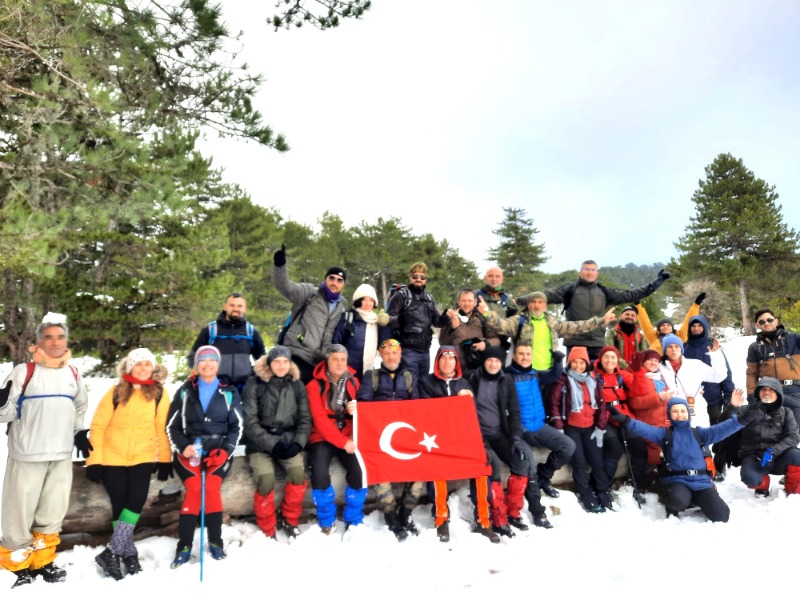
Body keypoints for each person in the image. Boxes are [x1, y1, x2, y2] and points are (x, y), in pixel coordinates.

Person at [0, 312, 89, 588]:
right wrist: (2, 403)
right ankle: (16, 566)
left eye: (60, 336)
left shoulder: (73, 373)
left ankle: (43, 561)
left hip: (60, 454)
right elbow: (5, 413)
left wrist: (78, 432)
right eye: (48, 336)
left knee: (52, 511)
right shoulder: (23, 372)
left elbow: (79, 406)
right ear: (38, 341)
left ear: (66, 341)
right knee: (19, 512)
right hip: (27, 453)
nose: (55, 342)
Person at [87, 348, 172, 580]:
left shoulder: (160, 394)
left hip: (142, 457)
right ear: (129, 367)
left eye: (147, 364)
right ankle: (128, 552)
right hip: (112, 457)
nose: (143, 368)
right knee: (120, 504)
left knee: (135, 501)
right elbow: (98, 427)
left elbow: (161, 428)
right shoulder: (115, 392)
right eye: (138, 364)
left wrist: (164, 458)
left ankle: (112, 551)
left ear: (153, 367)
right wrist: (94, 460)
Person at [610, 393, 752, 523]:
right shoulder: (664, 434)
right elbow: (643, 428)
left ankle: (699, 500)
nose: (679, 414)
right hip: (678, 481)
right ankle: (679, 502)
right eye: (675, 411)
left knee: (722, 516)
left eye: (683, 411)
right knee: (677, 501)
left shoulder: (699, 434)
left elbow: (723, 428)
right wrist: (625, 420)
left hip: (702, 483)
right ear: (669, 414)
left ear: (688, 413)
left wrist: (744, 419)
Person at [167, 345, 243, 568]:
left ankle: (216, 542)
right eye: (203, 360)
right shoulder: (184, 391)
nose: (207, 364)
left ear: (217, 364)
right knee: (193, 490)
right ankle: (184, 545)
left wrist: (225, 450)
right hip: (189, 454)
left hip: (218, 453)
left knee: (210, 487)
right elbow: (171, 427)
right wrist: (184, 447)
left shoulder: (229, 391)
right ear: (196, 364)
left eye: (212, 360)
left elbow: (237, 426)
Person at [419, 346, 498, 543]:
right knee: (439, 469)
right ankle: (441, 518)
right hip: (437, 439)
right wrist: (455, 401)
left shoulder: (464, 383)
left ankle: (483, 520)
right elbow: (427, 412)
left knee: (482, 465)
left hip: (462, 437)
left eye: (451, 358)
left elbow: (471, 416)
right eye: (443, 358)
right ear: (437, 361)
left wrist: (480, 443)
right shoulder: (426, 382)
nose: (447, 362)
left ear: (456, 362)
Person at [519, 260, 669, 361]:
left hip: (598, 345)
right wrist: (517, 300)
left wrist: (655, 283)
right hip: (575, 343)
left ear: (597, 273)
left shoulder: (604, 291)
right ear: (580, 272)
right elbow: (543, 296)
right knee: (574, 384)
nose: (589, 272)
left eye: (593, 270)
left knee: (597, 386)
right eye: (586, 269)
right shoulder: (569, 290)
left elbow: (632, 294)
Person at [242, 346, 310, 540]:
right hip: (260, 443)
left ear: (290, 364)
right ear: (269, 363)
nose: (281, 366)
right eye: (277, 361)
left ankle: (290, 518)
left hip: (288, 440)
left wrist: (298, 443)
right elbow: (250, 422)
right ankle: (267, 525)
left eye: (285, 362)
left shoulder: (297, 385)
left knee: (298, 473)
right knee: (266, 478)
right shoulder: (254, 384)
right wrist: (272, 444)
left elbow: (305, 419)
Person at [357, 339, 421, 541]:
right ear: (381, 356)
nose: (391, 357)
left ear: (400, 354)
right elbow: (364, 403)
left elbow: (417, 406)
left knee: (420, 473)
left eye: (394, 353)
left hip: (405, 434)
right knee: (379, 472)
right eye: (387, 353)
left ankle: (406, 511)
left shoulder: (410, 376)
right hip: (380, 435)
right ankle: (391, 514)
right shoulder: (372, 376)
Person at [468, 347, 530, 537]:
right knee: (492, 463)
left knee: (521, 459)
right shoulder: (472, 379)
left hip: (500, 434)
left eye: (497, 361)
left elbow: (514, 411)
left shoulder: (506, 380)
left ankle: (512, 511)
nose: (493, 364)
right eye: (490, 360)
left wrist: (517, 438)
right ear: (484, 362)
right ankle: (497, 515)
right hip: (479, 436)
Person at [305, 345, 366, 535]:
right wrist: (343, 442)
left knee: (359, 472)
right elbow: (320, 421)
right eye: (335, 359)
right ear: (327, 361)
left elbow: (366, 409)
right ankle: (327, 518)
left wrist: (356, 411)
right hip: (322, 437)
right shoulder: (314, 385)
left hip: (347, 434)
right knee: (320, 474)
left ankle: (353, 517)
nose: (339, 363)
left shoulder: (354, 382)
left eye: (343, 359)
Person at [503, 344, 567, 521]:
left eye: (528, 354)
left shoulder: (535, 374)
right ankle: (537, 511)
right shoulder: (506, 376)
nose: (525, 357)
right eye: (521, 354)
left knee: (568, 446)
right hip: (519, 430)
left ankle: (544, 476)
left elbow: (553, 375)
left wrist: (558, 361)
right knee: (528, 465)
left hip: (539, 426)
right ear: (514, 356)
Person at [480, 290, 614, 372]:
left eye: (540, 302)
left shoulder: (552, 322)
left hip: (549, 372)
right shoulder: (519, 320)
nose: (536, 305)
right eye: (533, 302)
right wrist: (487, 314)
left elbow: (577, 326)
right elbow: (502, 325)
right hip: (526, 372)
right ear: (528, 304)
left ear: (545, 305)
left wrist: (601, 320)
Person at [546, 347, 612, 513]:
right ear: (569, 363)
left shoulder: (593, 380)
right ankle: (586, 495)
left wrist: (600, 427)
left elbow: (601, 405)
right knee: (580, 463)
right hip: (571, 428)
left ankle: (603, 492)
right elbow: (553, 404)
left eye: (581, 362)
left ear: (586, 363)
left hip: (590, 427)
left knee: (597, 461)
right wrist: (559, 428)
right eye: (574, 361)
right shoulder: (562, 380)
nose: (578, 365)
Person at [273, 244, 347, 383]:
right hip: (296, 355)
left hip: (317, 364)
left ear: (343, 284)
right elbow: (284, 286)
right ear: (325, 279)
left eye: (339, 280)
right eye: (331, 278)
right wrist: (280, 265)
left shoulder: (340, 307)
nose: (334, 283)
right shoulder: (309, 293)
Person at [593, 346, 648, 504]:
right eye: (606, 357)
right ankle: (605, 485)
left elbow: (639, 391)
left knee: (639, 445)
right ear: (601, 359)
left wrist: (637, 372)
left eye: (613, 357)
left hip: (625, 416)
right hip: (605, 418)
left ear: (617, 360)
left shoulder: (622, 375)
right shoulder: (594, 376)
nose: (609, 360)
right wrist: (608, 415)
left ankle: (636, 483)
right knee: (613, 448)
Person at [733, 377, 800, 497]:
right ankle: (762, 484)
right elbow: (726, 427)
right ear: (758, 392)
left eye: (771, 390)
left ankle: (793, 490)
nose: (767, 392)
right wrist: (732, 407)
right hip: (754, 457)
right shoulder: (745, 410)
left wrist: (773, 451)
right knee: (751, 479)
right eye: (763, 389)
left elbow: (794, 436)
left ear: (778, 393)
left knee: (797, 456)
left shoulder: (786, 412)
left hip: (778, 456)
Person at [188, 292, 266, 392]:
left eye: (239, 306)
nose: (236, 309)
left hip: (244, 388)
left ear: (245, 308)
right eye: (232, 305)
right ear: (225, 307)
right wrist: (201, 373)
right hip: (215, 387)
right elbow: (194, 356)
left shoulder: (250, 331)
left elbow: (262, 359)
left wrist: (255, 377)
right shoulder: (211, 330)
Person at [386, 261, 449, 380]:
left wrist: (445, 318)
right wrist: (401, 319)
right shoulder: (401, 295)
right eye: (415, 276)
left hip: (425, 350)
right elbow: (388, 319)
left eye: (422, 276)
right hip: (407, 349)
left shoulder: (429, 298)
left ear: (426, 279)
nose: (418, 279)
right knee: (409, 385)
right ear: (410, 277)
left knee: (423, 384)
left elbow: (437, 322)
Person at [658, 333, 730, 428]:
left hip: (697, 417)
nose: (674, 349)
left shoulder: (694, 365)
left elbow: (719, 376)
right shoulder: (658, 368)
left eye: (676, 346)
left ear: (681, 349)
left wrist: (715, 355)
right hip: (672, 417)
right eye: (669, 347)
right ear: (665, 350)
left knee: (699, 441)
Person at [745, 308, 800, 427]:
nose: (766, 323)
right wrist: (751, 395)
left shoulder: (794, 339)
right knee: (773, 432)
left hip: (794, 391)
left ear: (776, 321)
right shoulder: (755, 347)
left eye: (769, 320)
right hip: (769, 393)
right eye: (762, 322)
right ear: (757, 325)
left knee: (796, 431)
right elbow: (752, 373)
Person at [683, 315, 734, 425]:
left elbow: (725, 373)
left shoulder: (712, 347)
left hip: (713, 399)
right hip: (689, 401)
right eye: (693, 326)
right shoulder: (683, 348)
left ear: (705, 327)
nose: (696, 329)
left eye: (699, 325)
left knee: (715, 431)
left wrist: (729, 396)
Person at [333, 283, 392, 379]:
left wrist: (385, 326)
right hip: (348, 370)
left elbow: (384, 345)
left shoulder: (376, 320)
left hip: (369, 371)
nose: (368, 303)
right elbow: (336, 342)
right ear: (358, 300)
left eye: (371, 300)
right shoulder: (348, 317)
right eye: (364, 299)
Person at [438, 288, 501, 371]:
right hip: (456, 367)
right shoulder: (451, 316)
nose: (466, 304)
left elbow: (497, 340)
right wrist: (453, 328)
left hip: (478, 367)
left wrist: (485, 344)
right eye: (463, 301)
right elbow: (443, 343)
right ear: (458, 302)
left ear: (475, 302)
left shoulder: (482, 317)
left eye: (470, 301)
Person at [636, 294, 703, 354]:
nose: (666, 327)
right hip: (657, 365)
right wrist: (638, 306)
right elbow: (644, 322)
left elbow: (688, 321)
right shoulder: (653, 338)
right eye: (663, 325)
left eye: (668, 325)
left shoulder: (680, 337)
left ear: (672, 328)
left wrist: (696, 305)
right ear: (659, 329)